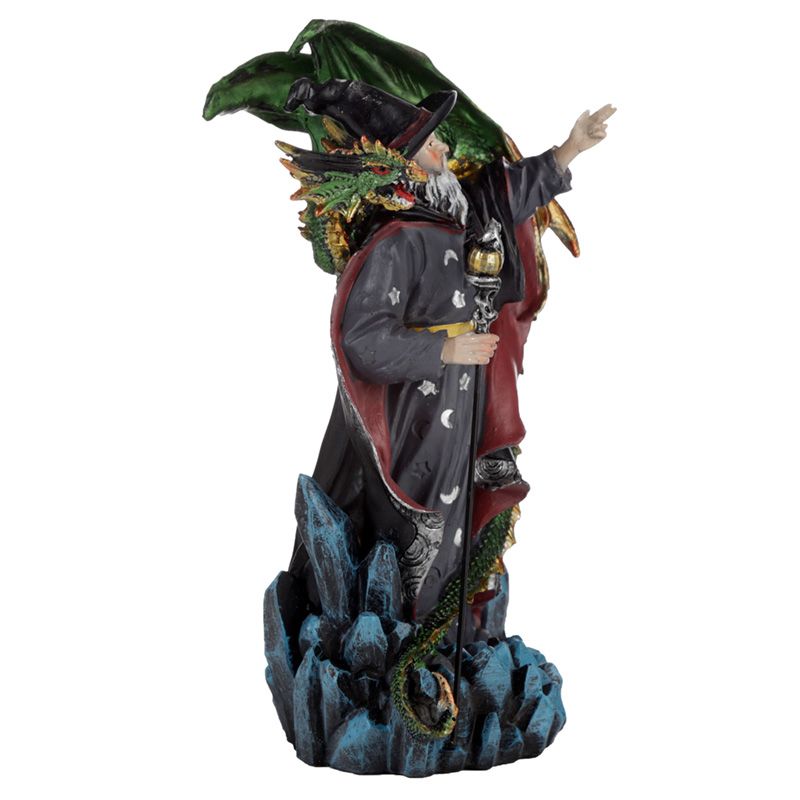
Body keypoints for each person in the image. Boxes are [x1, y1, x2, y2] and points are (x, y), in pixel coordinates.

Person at [285, 77, 614, 633]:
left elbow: (511, 193)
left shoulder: (458, 218)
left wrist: (570, 148)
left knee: (458, 515)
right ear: (408, 163)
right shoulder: (396, 241)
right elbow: (363, 340)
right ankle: (404, 639)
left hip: (462, 407)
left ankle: (449, 638)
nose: (445, 149)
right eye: (433, 144)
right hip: (413, 413)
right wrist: (446, 348)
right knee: (419, 521)